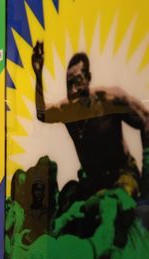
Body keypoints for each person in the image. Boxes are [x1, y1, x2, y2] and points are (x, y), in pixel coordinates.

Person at [32, 42, 149, 199]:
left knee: (112, 205)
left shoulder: (109, 100)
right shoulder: (67, 110)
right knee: (65, 212)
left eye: (77, 81)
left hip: (121, 175)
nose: (73, 90)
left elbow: (146, 119)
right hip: (92, 181)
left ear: (88, 79)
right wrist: (38, 74)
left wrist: (147, 170)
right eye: (69, 84)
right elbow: (42, 114)